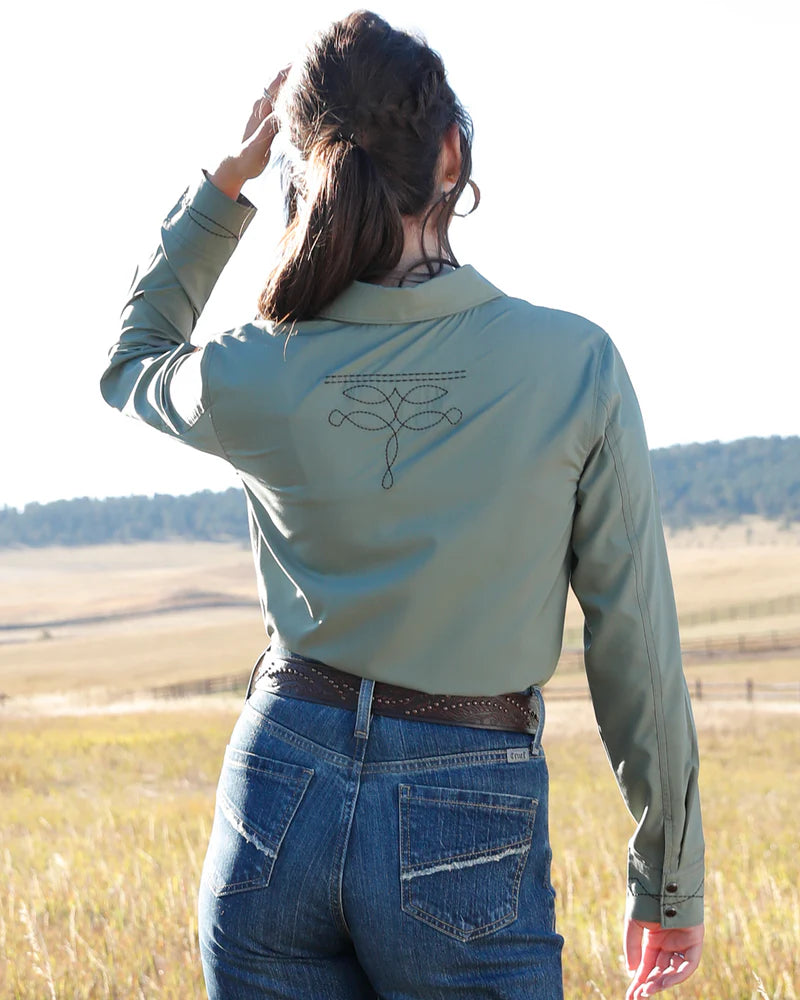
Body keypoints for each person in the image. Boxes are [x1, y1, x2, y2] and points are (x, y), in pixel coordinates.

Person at [101, 11, 704, 999]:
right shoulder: (571, 365)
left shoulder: (258, 368)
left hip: (274, 790)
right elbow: (633, 639)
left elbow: (132, 360)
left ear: (302, 169)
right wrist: (668, 879)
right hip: (466, 796)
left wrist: (223, 185)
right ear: (450, 155)